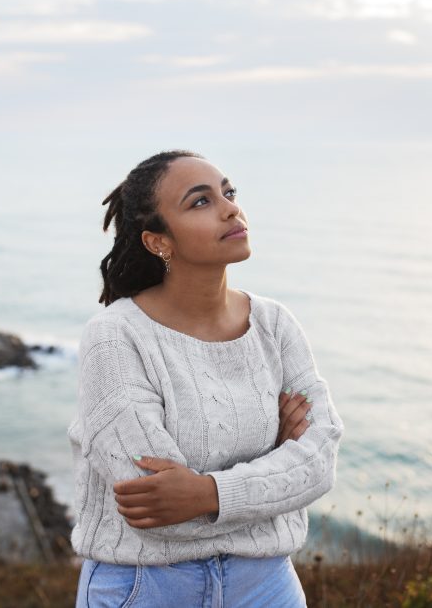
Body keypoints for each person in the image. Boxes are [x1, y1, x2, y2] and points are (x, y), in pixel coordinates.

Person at [68, 150, 344, 607]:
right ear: (158, 241)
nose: (231, 208)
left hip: (267, 585)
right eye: (200, 202)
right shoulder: (115, 338)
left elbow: (320, 463)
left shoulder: (275, 325)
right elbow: (154, 507)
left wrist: (207, 492)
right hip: (147, 588)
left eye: (228, 192)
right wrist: (277, 462)